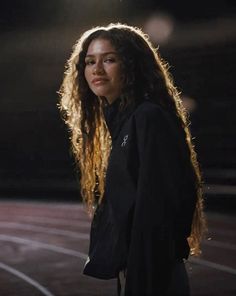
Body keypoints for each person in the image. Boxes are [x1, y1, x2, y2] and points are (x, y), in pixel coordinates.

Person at [59, 23, 206, 296]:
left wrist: (144, 273)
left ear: (132, 65)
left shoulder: (147, 117)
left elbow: (161, 204)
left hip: (153, 268)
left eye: (109, 59)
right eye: (90, 61)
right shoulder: (123, 120)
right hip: (139, 264)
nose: (97, 69)